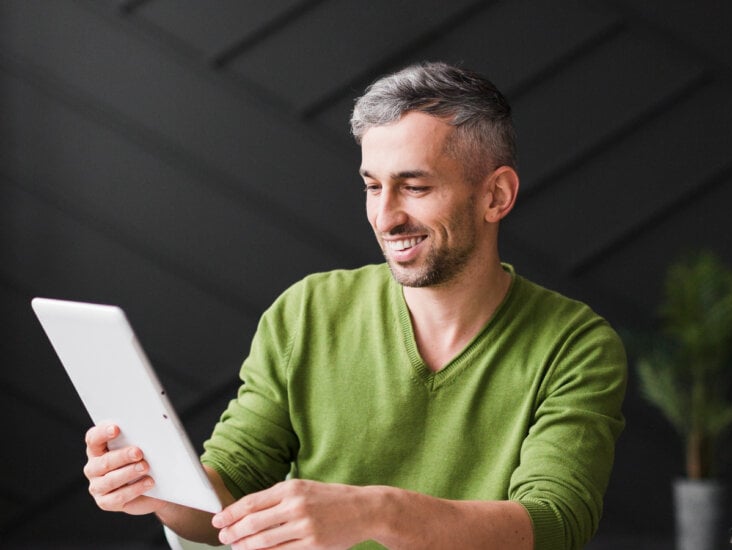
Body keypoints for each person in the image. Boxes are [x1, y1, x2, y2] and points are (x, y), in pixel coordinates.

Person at [83, 61, 627, 550]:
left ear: (496, 196)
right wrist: (157, 491)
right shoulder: (307, 312)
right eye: (372, 186)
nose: (385, 218)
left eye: (414, 187)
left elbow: (554, 523)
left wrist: (377, 512)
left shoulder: (574, 344)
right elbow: (229, 489)